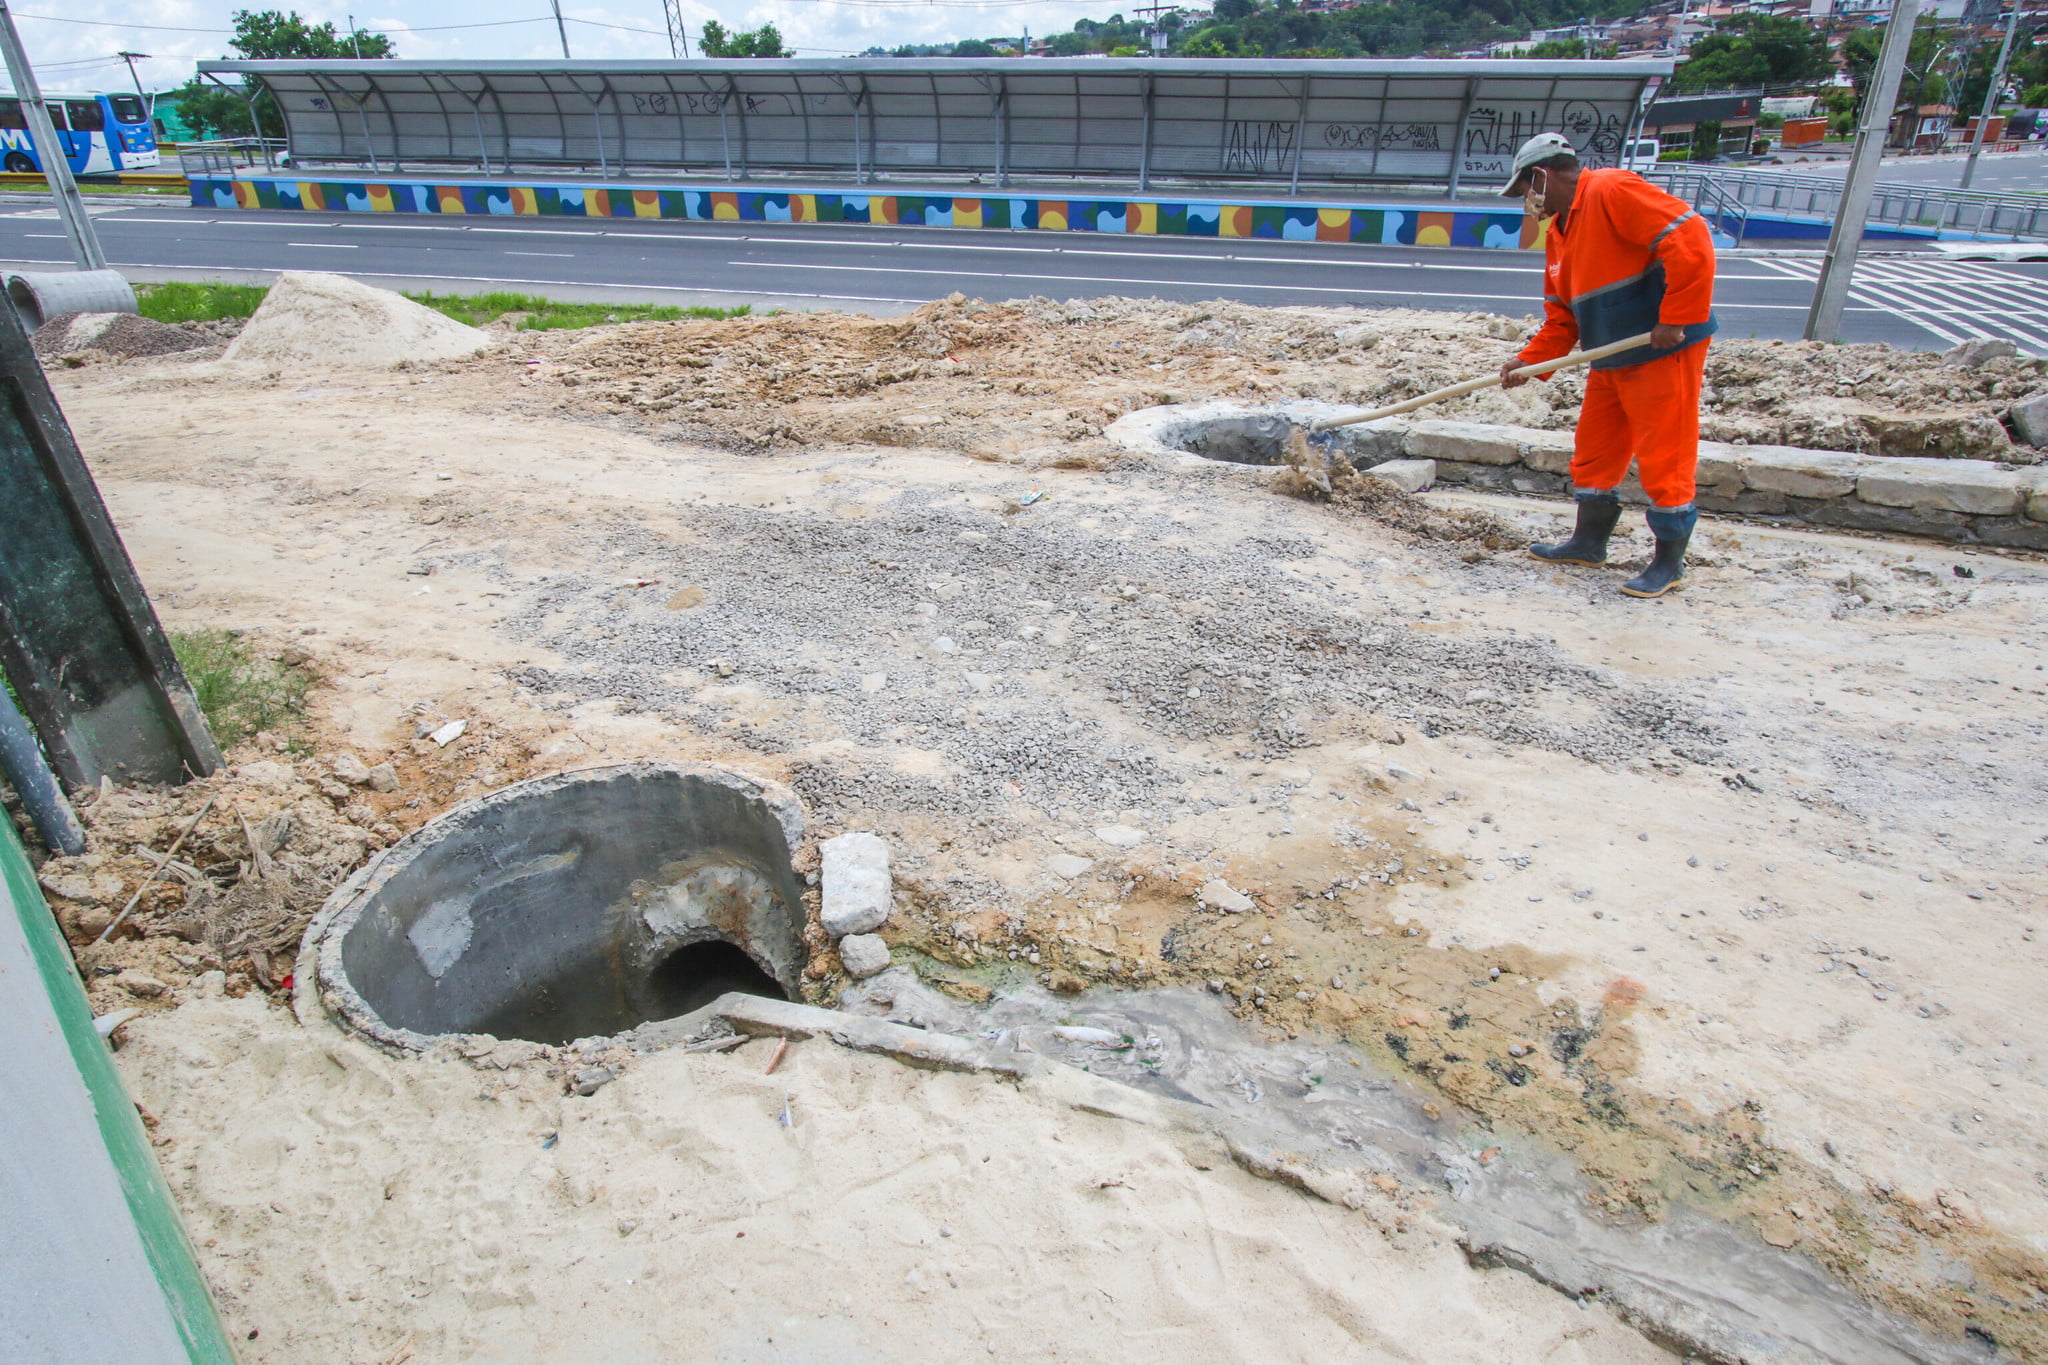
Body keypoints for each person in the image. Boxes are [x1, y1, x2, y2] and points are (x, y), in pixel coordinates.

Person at [1497, 132, 1718, 599]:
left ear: (1543, 174)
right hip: (1610, 354)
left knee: (1665, 453)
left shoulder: (1609, 190)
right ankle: (1589, 541)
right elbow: (1564, 317)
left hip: (1662, 349)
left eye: (1526, 190)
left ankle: (1668, 563)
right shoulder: (1559, 233)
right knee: (1595, 449)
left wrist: (1676, 317)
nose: (1529, 202)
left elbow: (1689, 237)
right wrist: (1529, 362)